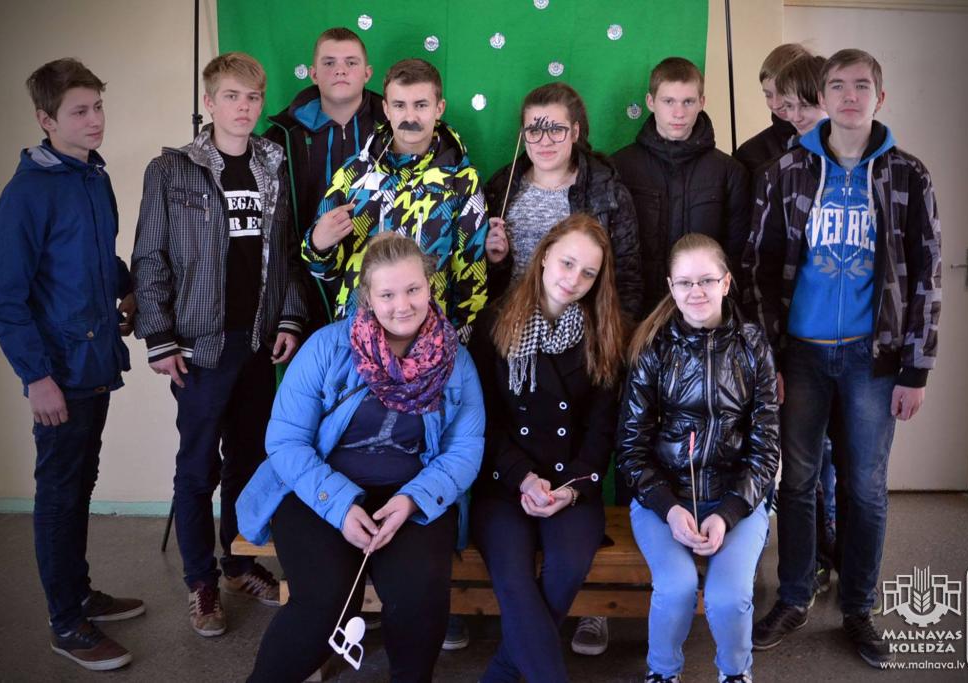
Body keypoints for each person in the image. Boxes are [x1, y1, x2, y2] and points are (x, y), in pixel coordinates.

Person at [746, 49, 942, 668]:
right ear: (823, 97)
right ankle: (794, 597)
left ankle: (859, 607)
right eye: (838, 85)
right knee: (798, 483)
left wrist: (916, 368)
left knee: (866, 488)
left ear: (879, 97)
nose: (850, 96)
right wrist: (769, 359)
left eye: (862, 85)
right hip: (800, 356)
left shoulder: (908, 175)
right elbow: (757, 269)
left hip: (873, 360)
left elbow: (928, 276)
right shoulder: (786, 171)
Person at [237, 232, 485, 682]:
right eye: (387, 294)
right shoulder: (326, 348)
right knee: (322, 601)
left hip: (411, 497)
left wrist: (413, 500)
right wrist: (339, 504)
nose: (402, 305)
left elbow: (464, 450)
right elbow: (287, 441)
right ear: (367, 297)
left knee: (419, 599)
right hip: (317, 491)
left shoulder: (457, 362)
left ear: (429, 286)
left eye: (413, 289)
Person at [131, 52, 308, 637]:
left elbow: (287, 256)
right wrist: (160, 338)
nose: (244, 107)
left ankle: (237, 563)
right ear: (210, 102)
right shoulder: (173, 169)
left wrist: (289, 318)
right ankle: (200, 582)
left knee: (249, 459)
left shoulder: (273, 165)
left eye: (253, 97)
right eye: (231, 96)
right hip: (199, 346)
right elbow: (149, 256)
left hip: (256, 341)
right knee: (198, 465)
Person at [0, 58, 144, 671]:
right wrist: (36, 377)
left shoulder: (93, 176)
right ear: (46, 120)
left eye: (98, 106)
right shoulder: (27, 193)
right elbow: (4, 298)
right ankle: (66, 624)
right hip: (58, 373)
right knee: (58, 493)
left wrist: (128, 289)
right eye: (79, 111)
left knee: (80, 485)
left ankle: (79, 594)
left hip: (95, 360)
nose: (95, 119)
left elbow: (97, 259)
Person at [468, 214, 626, 682]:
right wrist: (523, 477)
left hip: (570, 483)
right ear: (543, 257)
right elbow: (483, 421)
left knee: (568, 566)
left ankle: (501, 673)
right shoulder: (495, 322)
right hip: (505, 483)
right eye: (567, 263)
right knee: (513, 578)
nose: (573, 279)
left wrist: (571, 488)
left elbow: (601, 432)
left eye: (588, 273)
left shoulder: (604, 333)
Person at [618, 233, 780, 683]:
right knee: (677, 588)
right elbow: (631, 449)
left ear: (726, 283)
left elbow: (766, 450)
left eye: (707, 280)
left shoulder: (753, 347)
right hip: (664, 500)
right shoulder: (652, 347)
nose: (697, 292)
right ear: (671, 287)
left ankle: (735, 672)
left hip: (735, 499)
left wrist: (727, 514)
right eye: (685, 282)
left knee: (728, 598)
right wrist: (669, 508)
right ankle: (662, 672)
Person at [303, 58, 489, 340]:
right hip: (357, 335)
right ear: (386, 109)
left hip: (428, 340)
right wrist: (318, 244)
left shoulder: (462, 181)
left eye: (421, 105)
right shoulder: (355, 173)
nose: (410, 117)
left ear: (439, 108)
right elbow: (323, 270)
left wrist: (458, 341)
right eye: (400, 105)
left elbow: (471, 274)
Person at [483, 82, 642, 320]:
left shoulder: (606, 193)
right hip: (509, 328)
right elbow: (481, 282)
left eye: (556, 130)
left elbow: (627, 279)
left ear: (575, 132)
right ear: (523, 136)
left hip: (581, 333)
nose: (544, 141)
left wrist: (614, 335)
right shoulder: (500, 189)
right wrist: (496, 261)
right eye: (534, 131)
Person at [264, 26, 386, 333]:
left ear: (368, 73)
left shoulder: (393, 130)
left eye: (351, 62)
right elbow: (274, 233)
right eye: (329, 62)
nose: (340, 70)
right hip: (305, 292)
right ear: (314, 74)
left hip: (380, 287)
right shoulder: (281, 138)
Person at [771, 53, 839, 597]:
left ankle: (837, 554)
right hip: (798, 340)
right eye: (784, 103)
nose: (790, 114)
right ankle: (805, 572)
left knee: (844, 468)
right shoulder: (786, 164)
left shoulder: (876, 167)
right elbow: (766, 259)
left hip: (857, 346)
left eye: (800, 104)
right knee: (801, 467)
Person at [612, 56, 750, 316]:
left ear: (702, 102)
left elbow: (737, 255)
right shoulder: (619, 168)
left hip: (703, 315)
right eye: (668, 101)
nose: (679, 113)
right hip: (636, 315)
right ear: (650, 102)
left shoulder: (729, 172)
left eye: (688, 102)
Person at [734, 43, 811, 182]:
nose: (775, 104)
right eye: (768, 95)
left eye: (782, 92)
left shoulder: (837, 143)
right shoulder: (749, 154)